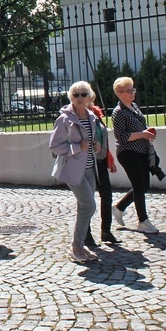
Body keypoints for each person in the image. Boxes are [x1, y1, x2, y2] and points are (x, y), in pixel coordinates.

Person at [49, 82, 101, 262]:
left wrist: (95, 145)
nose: (79, 97)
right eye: (76, 94)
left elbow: (91, 140)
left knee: (83, 206)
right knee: (89, 206)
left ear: (89, 97)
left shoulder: (91, 116)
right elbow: (55, 146)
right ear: (71, 97)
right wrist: (77, 147)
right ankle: (76, 246)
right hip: (72, 169)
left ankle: (80, 245)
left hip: (89, 168)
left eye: (83, 94)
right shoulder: (64, 119)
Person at [111, 77, 158, 234]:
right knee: (139, 185)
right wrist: (142, 134)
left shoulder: (134, 107)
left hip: (141, 150)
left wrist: (147, 132)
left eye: (133, 89)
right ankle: (143, 221)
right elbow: (121, 136)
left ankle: (119, 207)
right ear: (119, 93)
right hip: (128, 152)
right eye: (128, 91)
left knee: (144, 185)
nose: (132, 93)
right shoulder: (118, 113)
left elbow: (140, 127)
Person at [86, 96, 119, 245]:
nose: (85, 99)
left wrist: (109, 157)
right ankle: (85, 233)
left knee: (106, 194)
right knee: (87, 199)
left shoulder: (96, 114)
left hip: (100, 160)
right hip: (86, 163)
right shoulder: (77, 116)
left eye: (86, 95)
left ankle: (106, 230)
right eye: (79, 95)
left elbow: (103, 138)